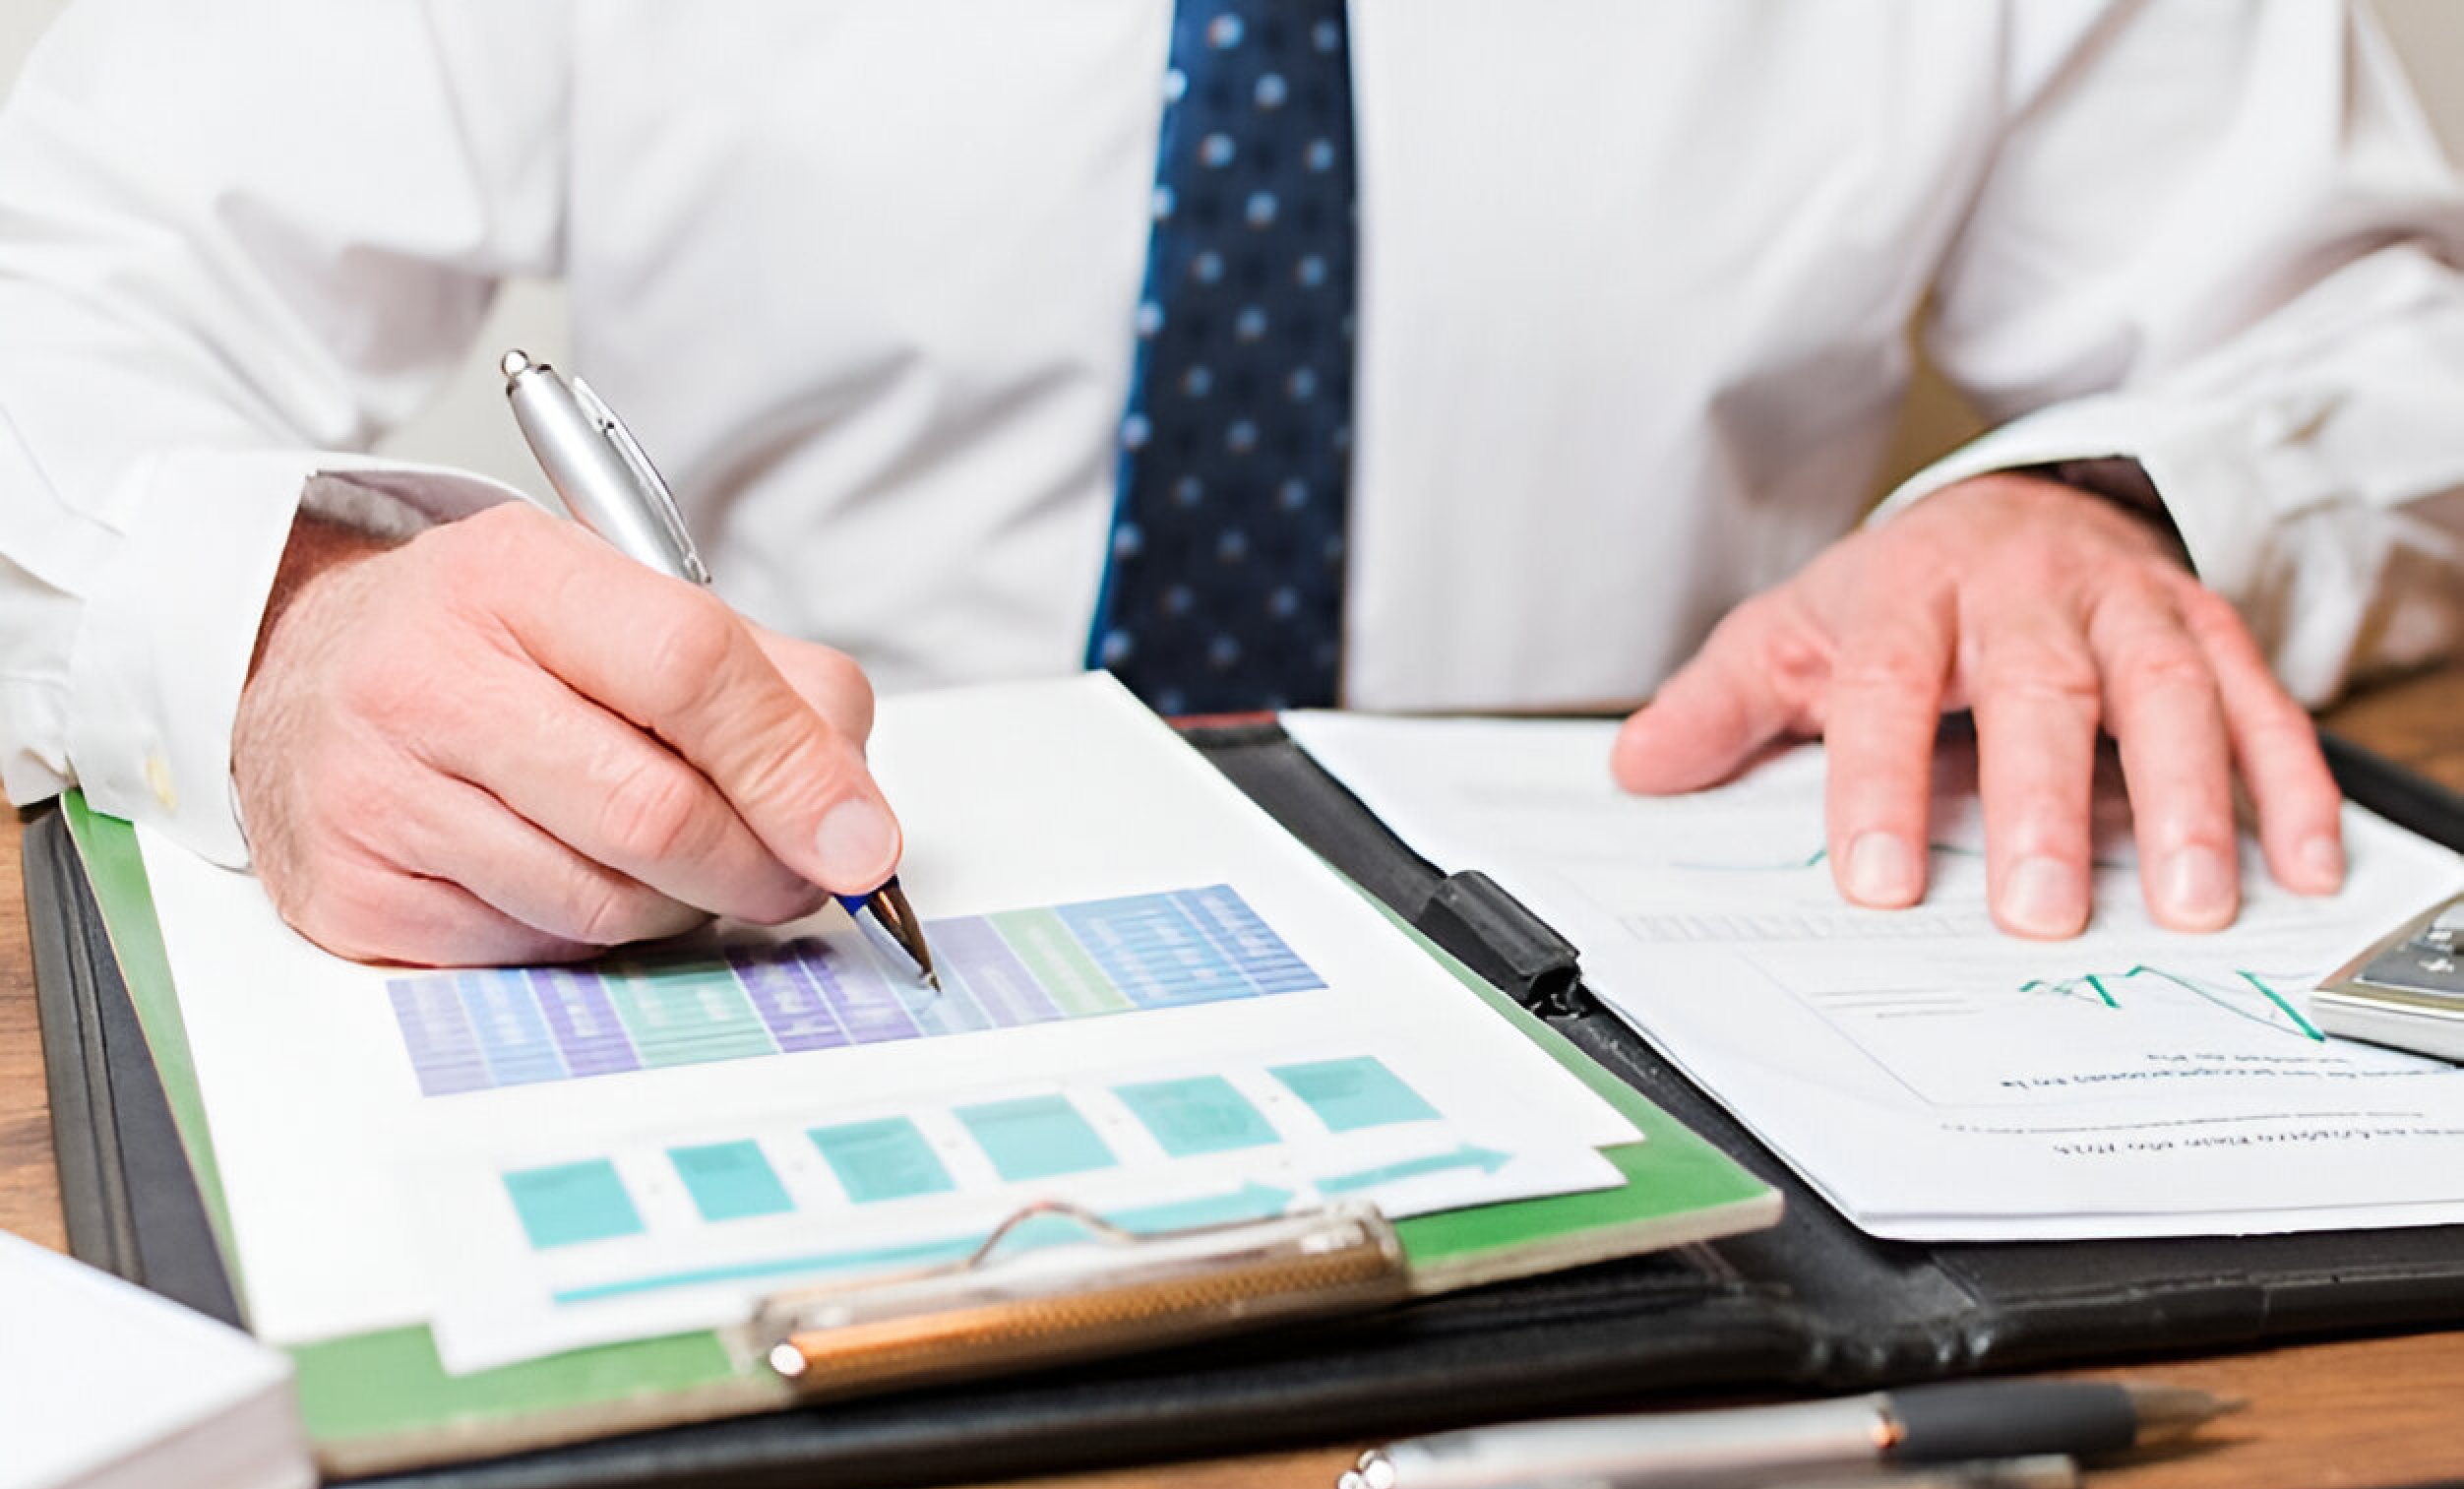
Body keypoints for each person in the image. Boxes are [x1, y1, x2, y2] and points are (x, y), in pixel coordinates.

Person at [0, 1, 2459, 967]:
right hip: (786, 932)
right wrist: (292, 624)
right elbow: (52, 287)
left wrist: (2106, 506)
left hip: (1709, 985)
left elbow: (2370, 340)